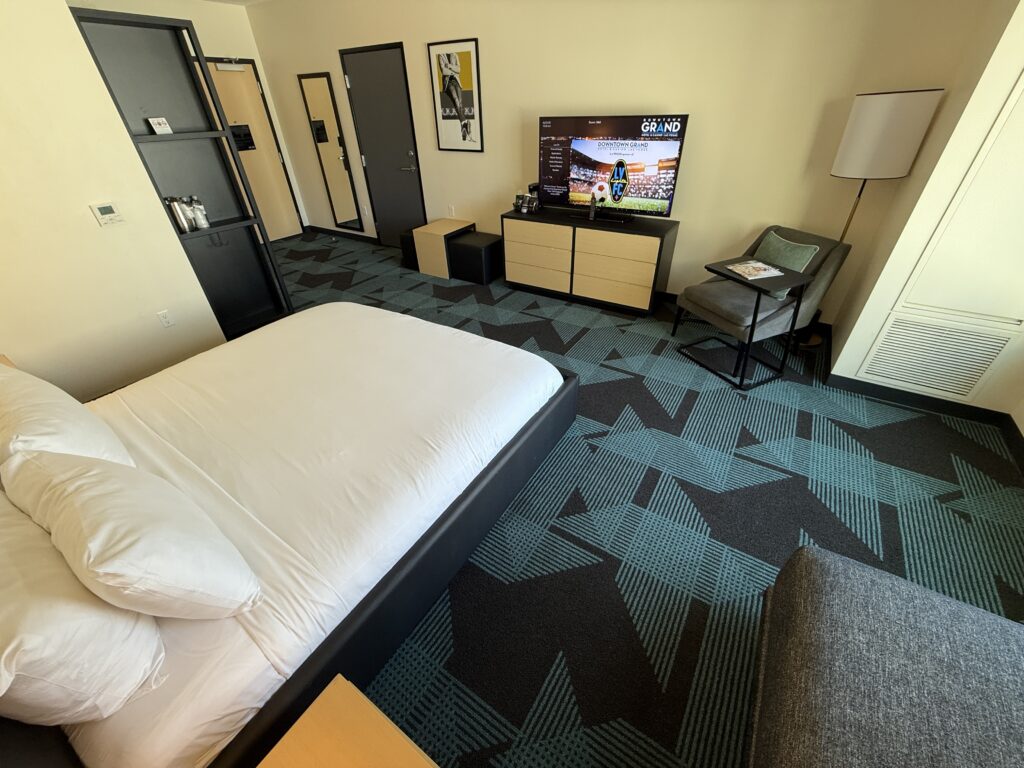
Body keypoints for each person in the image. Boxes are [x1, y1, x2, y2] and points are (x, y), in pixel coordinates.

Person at [439, 53, 472, 141]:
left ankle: (463, 126)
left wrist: (449, 66)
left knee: (460, 102)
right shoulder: (441, 55)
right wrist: (453, 70)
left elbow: (459, 70)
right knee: (455, 99)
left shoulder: (455, 55)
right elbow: (443, 71)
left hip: (456, 81)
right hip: (448, 82)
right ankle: (465, 122)